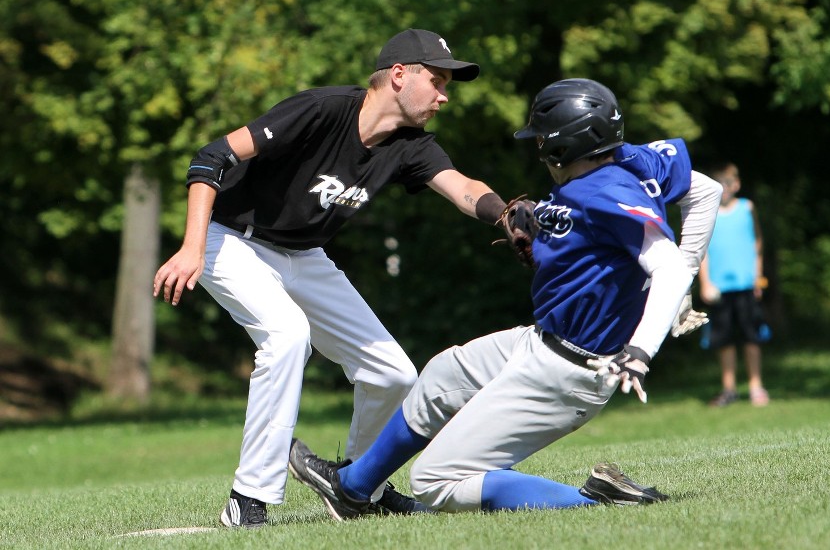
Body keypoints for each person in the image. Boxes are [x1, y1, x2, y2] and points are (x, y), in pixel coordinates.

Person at [287, 78, 723, 519]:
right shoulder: (632, 160)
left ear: (558, 147)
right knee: (441, 376)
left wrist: (645, 343)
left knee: (434, 482)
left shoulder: (607, 191)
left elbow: (665, 266)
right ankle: (352, 489)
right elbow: (706, 191)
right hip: (542, 340)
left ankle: (598, 502)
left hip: (571, 369)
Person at [152, 28, 513, 528]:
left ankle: (357, 486)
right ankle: (248, 499)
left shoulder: (410, 146)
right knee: (286, 336)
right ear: (399, 74)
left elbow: (464, 188)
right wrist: (192, 247)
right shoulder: (323, 110)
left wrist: (510, 216)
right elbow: (211, 157)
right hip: (230, 239)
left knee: (392, 374)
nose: (444, 95)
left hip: (303, 254)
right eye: (437, 80)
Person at [698, 162, 771, 407]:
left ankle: (756, 386)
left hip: (746, 284)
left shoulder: (746, 208)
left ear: (736, 185)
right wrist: (705, 283)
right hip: (719, 287)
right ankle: (728, 389)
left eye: (728, 184)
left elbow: (757, 244)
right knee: (723, 340)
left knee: (752, 337)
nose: (724, 189)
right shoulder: (708, 212)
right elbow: (702, 251)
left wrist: (758, 276)